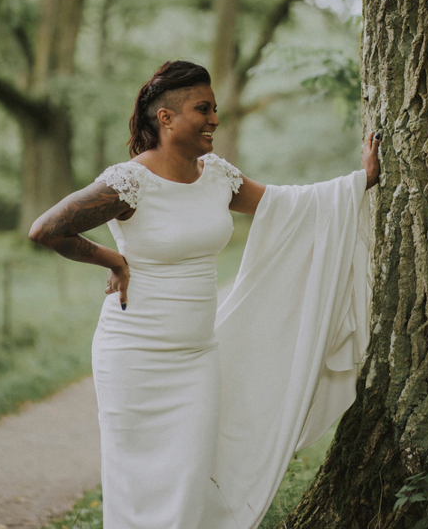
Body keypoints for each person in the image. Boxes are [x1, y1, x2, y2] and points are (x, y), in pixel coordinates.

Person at [28, 60, 380, 529]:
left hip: (197, 358)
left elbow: (285, 206)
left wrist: (358, 183)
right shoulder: (129, 183)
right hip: (134, 356)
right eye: (203, 109)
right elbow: (47, 229)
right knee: (136, 484)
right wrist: (112, 260)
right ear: (166, 118)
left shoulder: (216, 176)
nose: (215, 119)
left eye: (214, 108)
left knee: (192, 476)